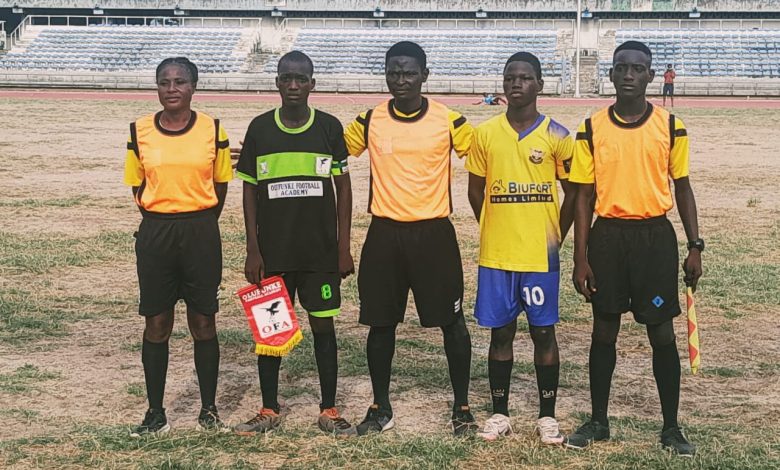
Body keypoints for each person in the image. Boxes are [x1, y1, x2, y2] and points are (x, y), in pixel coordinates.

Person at [565, 41, 703, 457]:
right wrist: (580, 257)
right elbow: (583, 196)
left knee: (661, 332)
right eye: (621, 68)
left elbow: (682, 187)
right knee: (604, 329)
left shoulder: (670, 126)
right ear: (610, 75)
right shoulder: (590, 128)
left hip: (654, 238)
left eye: (637, 69)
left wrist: (695, 245)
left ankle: (671, 427)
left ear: (650, 75)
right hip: (607, 237)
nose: (629, 75)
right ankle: (599, 420)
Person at [343, 41, 476, 436]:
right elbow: (329, 151)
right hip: (384, 234)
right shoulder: (368, 121)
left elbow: (489, 155)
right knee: (380, 324)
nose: (401, 80)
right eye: (393, 72)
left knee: (452, 323)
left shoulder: (450, 120)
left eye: (409, 73)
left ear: (425, 75)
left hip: (434, 235)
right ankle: (380, 406)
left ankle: (462, 408)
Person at [233, 51, 356, 436]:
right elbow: (249, 192)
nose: (293, 85)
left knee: (324, 328)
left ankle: (329, 408)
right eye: (286, 78)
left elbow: (344, 188)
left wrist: (343, 247)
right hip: (274, 253)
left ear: (312, 84)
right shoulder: (260, 129)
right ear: (276, 83)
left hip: (320, 253)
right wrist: (254, 248)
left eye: (301, 79)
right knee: (271, 332)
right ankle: (269, 408)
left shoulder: (329, 128)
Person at [466, 52, 575, 445]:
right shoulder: (485, 134)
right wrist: (496, 225)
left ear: (540, 85)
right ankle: (500, 412)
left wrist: (554, 234)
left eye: (525, 78)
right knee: (500, 334)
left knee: (543, 333)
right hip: (497, 255)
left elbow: (575, 192)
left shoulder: (559, 135)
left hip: (539, 256)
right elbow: (475, 191)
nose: (516, 84)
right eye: (510, 77)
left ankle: (547, 416)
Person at [124, 57, 232, 437]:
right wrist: (164, 217)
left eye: (180, 82)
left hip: (201, 231)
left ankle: (208, 409)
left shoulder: (213, 129)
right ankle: (155, 412)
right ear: (156, 87)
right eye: (164, 82)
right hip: (156, 233)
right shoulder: (139, 131)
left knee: (203, 321)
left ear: (193, 87)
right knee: (157, 322)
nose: (172, 89)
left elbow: (220, 184)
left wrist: (199, 222)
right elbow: (136, 184)